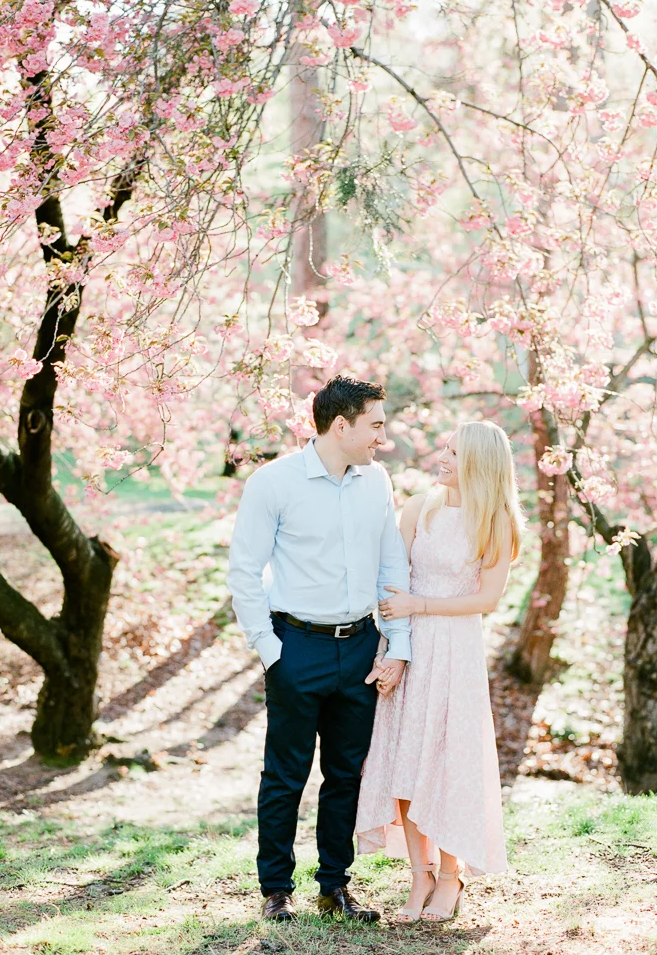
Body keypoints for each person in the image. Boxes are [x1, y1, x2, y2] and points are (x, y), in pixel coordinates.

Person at [227, 375, 411, 923]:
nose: (382, 437)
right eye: (375, 425)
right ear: (341, 426)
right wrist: (270, 650)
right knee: (285, 776)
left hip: (360, 648)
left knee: (346, 775)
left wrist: (397, 645)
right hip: (296, 647)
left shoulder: (376, 481)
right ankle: (276, 889)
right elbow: (244, 571)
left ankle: (335, 886)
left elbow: (391, 565)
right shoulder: (273, 482)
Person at [355, 420, 524, 922]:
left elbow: (487, 599)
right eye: (445, 449)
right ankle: (420, 874)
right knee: (405, 764)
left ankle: (451, 877)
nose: (442, 458)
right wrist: (393, 648)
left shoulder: (495, 522)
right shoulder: (418, 508)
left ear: (478, 464)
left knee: (448, 766)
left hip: (456, 654)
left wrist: (421, 605)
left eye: (453, 453)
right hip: (410, 647)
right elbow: (391, 579)